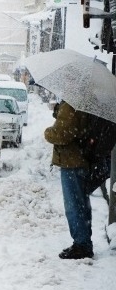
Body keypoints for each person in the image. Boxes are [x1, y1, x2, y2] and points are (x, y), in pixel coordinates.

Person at [44, 100, 93, 259]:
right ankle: (83, 242)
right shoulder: (84, 100)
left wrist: (48, 132)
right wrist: (59, 111)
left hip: (72, 161)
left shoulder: (73, 103)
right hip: (81, 160)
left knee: (74, 206)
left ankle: (81, 245)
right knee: (81, 204)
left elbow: (63, 133)